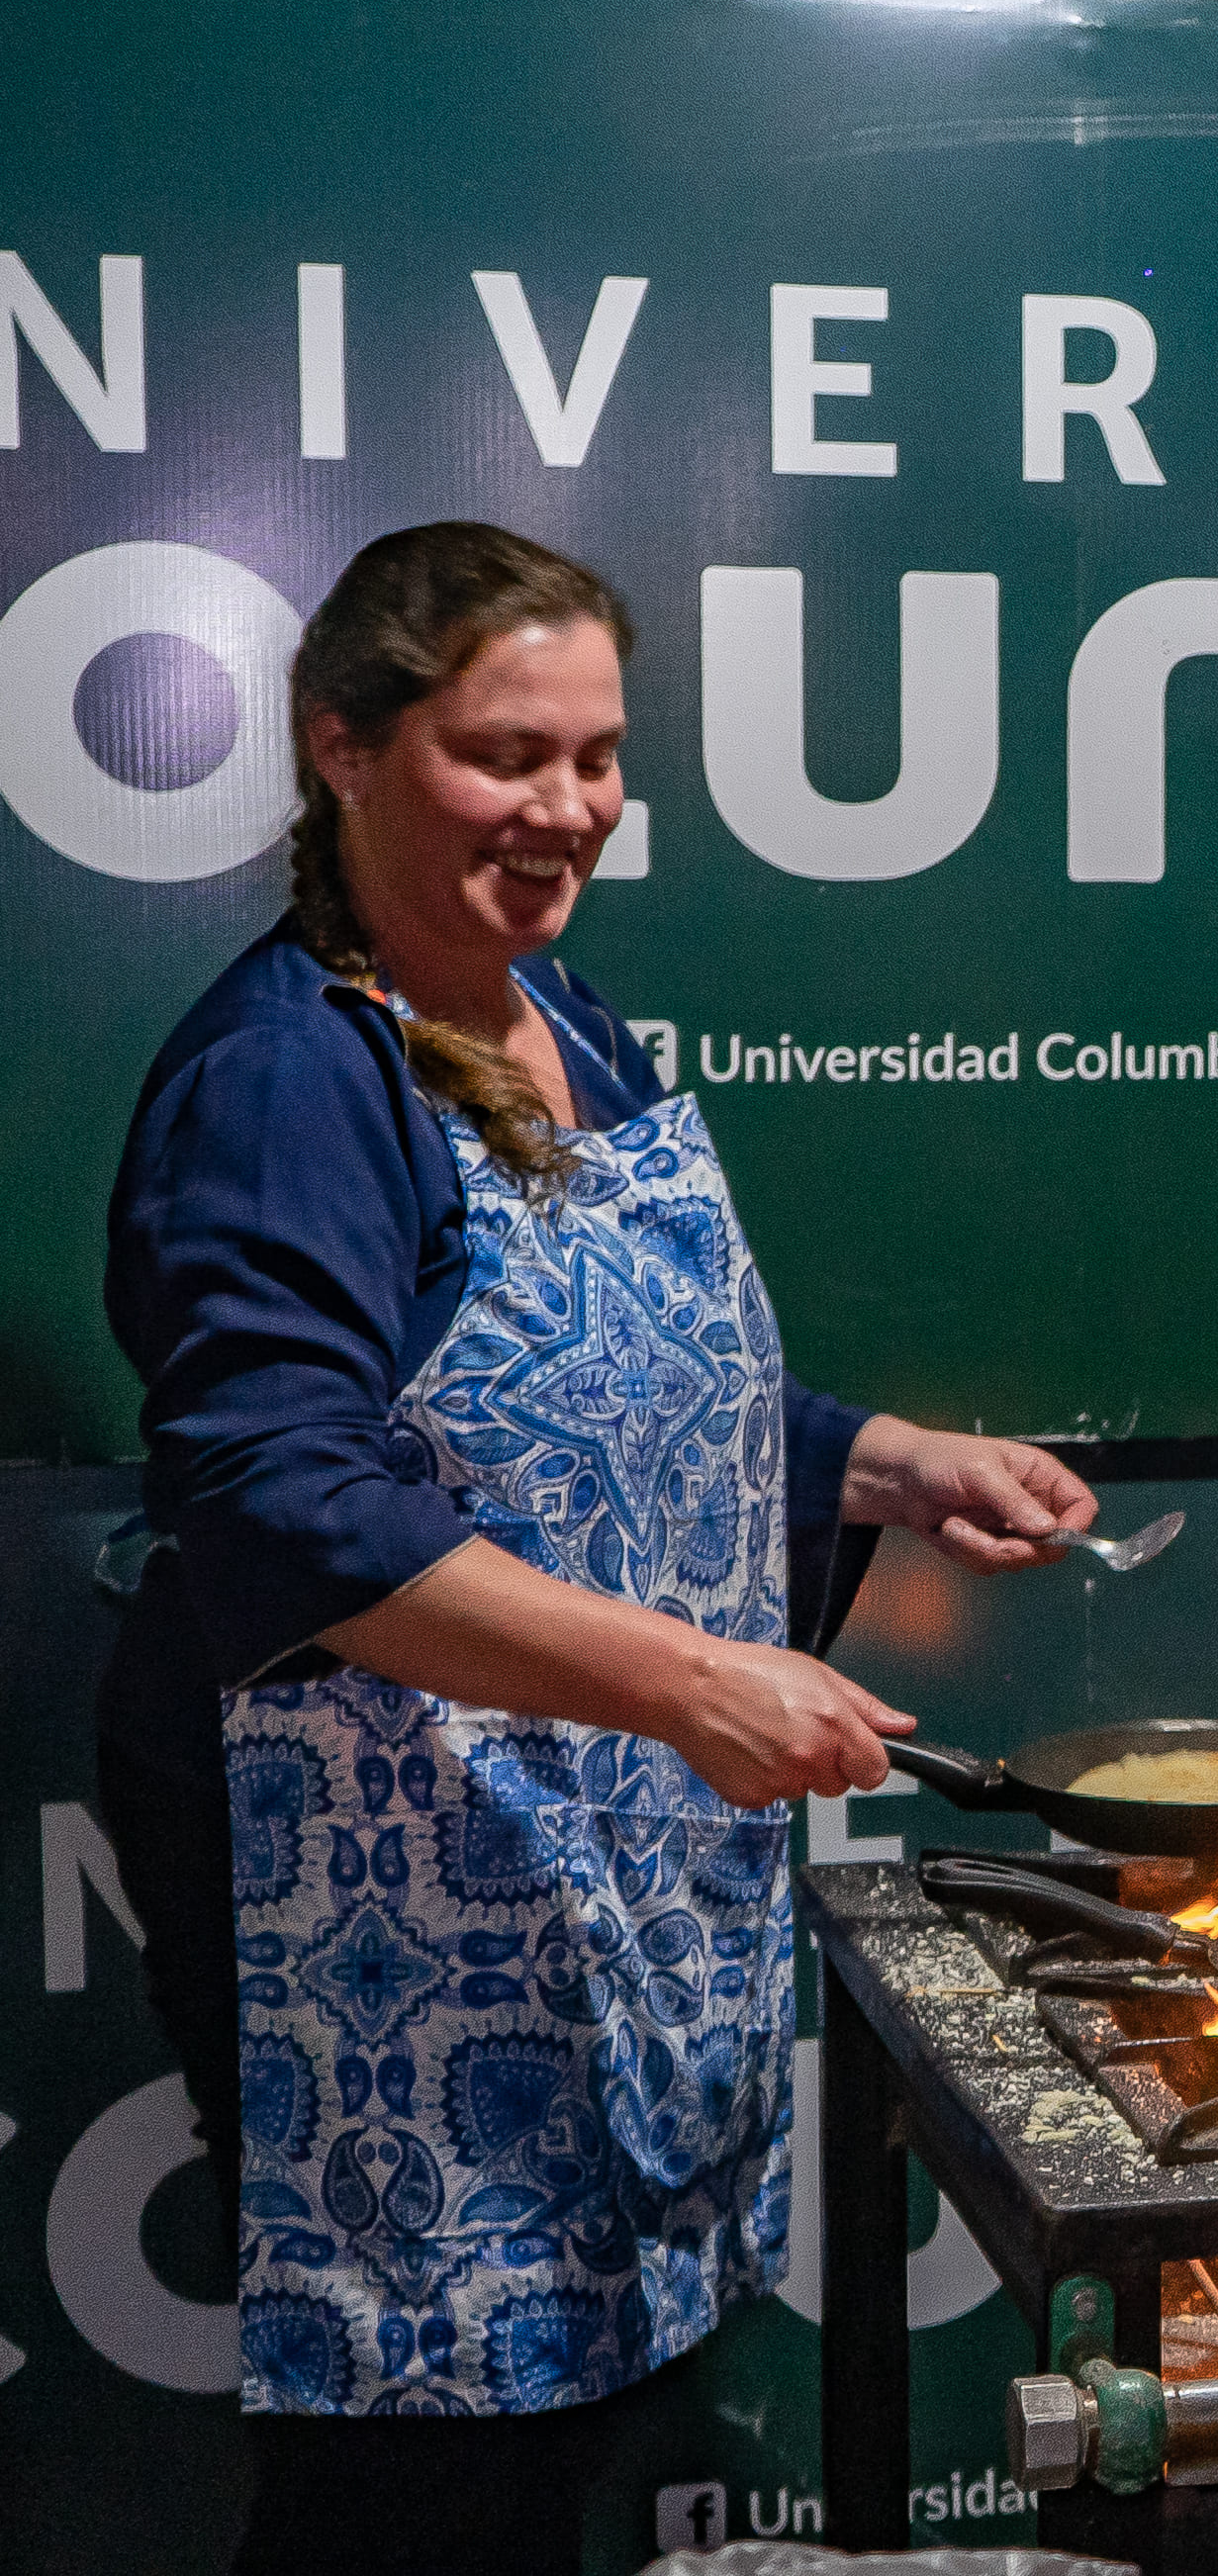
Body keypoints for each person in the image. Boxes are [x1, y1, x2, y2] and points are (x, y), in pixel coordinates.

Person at [91, 522, 1092, 2575]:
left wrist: (893, 1461)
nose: (567, 808)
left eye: (598, 756)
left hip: (572, 1857)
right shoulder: (290, 1074)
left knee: (545, 2448)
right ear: (343, 746)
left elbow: (634, 1398)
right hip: (378, 1883)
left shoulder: (562, 1016)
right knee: (418, 2476)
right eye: (503, 753)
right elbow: (284, 1497)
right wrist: (692, 1679)